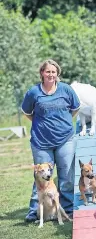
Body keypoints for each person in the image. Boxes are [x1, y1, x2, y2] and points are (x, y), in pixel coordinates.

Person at [21, 59, 80, 222]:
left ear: (57, 73)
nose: (51, 75)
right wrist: (41, 123)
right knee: (40, 177)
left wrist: (63, 122)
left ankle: (67, 209)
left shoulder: (66, 90)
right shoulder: (34, 92)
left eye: (53, 72)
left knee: (67, 176)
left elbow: (75, 109)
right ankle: (34, 211)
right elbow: (27, 112)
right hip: (41, 143)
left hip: (65, 139)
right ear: (42, 73)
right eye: (48, 71)